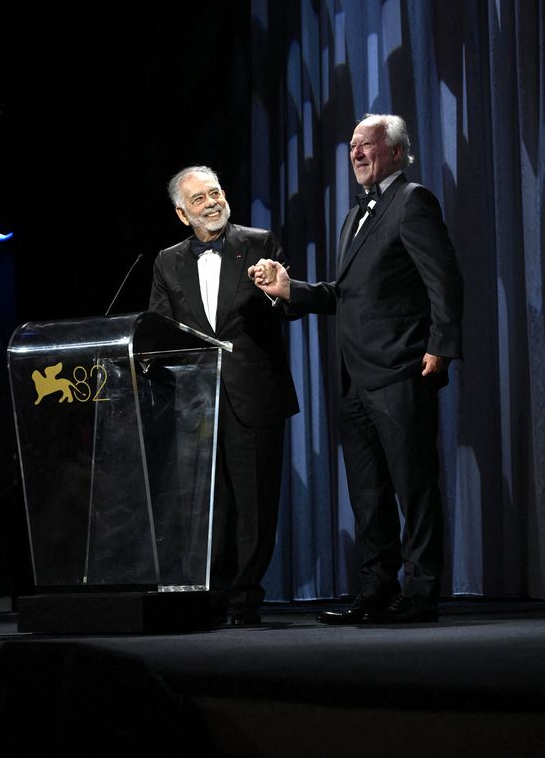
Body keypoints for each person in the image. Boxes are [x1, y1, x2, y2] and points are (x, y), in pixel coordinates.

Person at [249, 113, 463, 625]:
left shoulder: (413, 201)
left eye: (368, 145)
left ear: (396, 152)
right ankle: (376, 591)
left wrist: (442, 345)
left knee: (414, 487)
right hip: (353, 378)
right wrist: (289, 291)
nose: (357, 154)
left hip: (401, 369)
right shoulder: (353, 217)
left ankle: (420, 594)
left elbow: (445, 280)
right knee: (367, 494)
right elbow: (345, 296)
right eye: (352, 147)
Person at [148, 165, 299, 626]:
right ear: (181, 213)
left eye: (215, 192)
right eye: (199, 199)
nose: (212, 202)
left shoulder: (259, 242)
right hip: (196, 403)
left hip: (253, 395)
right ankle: (208, 597)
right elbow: (157, 328)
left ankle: (244, 597)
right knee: (207, 508)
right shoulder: (166, 261)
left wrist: (277, 291)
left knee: (254, 505)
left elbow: (285, 307)